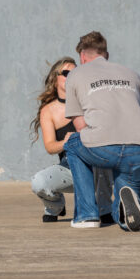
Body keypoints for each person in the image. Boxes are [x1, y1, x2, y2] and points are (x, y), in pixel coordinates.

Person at [64, 31, 140, 231]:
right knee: (124, 204)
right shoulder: (132, 74)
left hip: (103, 147)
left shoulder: (76, 74)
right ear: (106, 54)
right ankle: (123, 212)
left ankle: (86, 215)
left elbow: (81, 127)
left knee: (73, 143)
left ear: (82, 56)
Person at [30, 57, 113, 223]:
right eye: (67, 73)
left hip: (96, 164)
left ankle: (105, 209)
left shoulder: (90, 101)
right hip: (70, 167)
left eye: (76, 72)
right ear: (55, 78)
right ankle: (55, 207)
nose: (72, 76)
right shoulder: (48, 110)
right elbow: (50, 147)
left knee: (102, 160)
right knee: (39, 182)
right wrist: (66, 142)